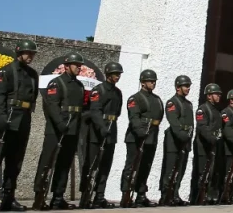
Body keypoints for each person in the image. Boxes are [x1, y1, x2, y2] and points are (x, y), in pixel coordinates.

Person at [0, 39, 40, 212]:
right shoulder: (6, 71)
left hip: (23, 120)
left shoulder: (33, 74)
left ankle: (8, 198)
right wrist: (2, 119)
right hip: (5, 120)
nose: (31, 56)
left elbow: (32, 97)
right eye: (28, 53)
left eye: (33, 53)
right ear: (19, 52)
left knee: (15, 162)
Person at [34, 52, 86, 209]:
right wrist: (60, 124)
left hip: (72, 130)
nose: (78, 67)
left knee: (64, 164)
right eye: (75, 65)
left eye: (79, 65)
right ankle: (39, 196)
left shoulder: (79, 85)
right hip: (56, 130)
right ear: (66, 66)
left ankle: (58, 197)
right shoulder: (56, 83)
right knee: (47, 163)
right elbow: (52, 106)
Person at [81, 61, 124, 209]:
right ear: (108, 74)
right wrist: (101, 127)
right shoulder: (98, 90)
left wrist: (109, 129)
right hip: (97, 132)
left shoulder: (118, 92)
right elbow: (95, 111)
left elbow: (117, 112)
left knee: (106, 166)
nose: (117, 76)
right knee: (92, 165)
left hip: (111, 130)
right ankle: (85, 195)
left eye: (119, 74)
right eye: (115, 74)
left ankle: (100, 195)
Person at [121, 69, 163, 208]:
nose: (153, 83)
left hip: (151, 137)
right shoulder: (135, 98)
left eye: (154, 81)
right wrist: (140, 132)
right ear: (143, 82)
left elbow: (159, 117)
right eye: (150, 81)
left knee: (146, 166)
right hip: (136, 137)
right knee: (132, 166)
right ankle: (126, 194)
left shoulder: (157, 99)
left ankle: (141, 194)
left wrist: (149, 133)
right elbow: (134, 117)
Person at [159, 75, 194, 206]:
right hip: (174, 141)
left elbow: (191, 124)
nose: (188, 88)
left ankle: (175, 194)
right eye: (186, 86)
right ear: (178, 87)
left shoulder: (188, 104)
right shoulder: (172, 102)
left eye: (189, 86)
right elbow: (174, 122)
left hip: (185, 141)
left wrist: (188, 140)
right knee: (170, 169)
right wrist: (183, 136)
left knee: (180, 169)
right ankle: (165, 195)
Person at [190, 83, 223, 204]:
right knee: (200, 172)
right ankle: (196, 197)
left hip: (213, 146)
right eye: (216, 94)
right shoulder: (202, 109)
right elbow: (202, 127)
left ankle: (206, 195)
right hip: (203, 146)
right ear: (209, 96)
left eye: (219, 94)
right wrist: (213, 139)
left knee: (210, 172)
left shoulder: (217, 111)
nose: (219, 96)